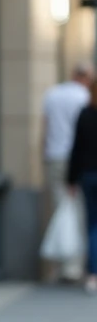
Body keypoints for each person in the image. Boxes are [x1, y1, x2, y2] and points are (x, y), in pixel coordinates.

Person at [43, 62, 93, 214]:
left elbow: (45, 128)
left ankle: (62, 238)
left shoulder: (52, 94)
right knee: (81, 208)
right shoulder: (86, 97)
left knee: (60, 207)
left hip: (55, 155)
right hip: (80, 160)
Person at [67, 72, 97, 295]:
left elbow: (76, 149)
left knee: (92, 225)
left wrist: (71, 179)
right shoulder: (84, 113)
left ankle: (92, 274)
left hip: (88, 176)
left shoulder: (85, 114)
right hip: (88, 175)